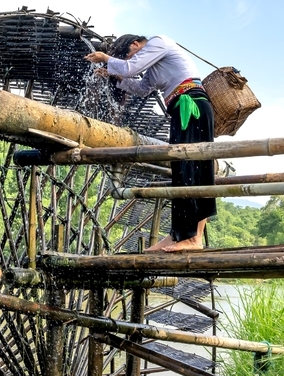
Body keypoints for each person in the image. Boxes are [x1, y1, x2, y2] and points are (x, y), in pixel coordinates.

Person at [84, 34, 216, 252]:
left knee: (196, 169)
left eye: (128, 54)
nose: (131, 58)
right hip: (180, 109)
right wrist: (115, 77)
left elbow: (130, 68)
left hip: (192, 105)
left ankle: (194, 239)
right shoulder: (155, 66)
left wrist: (106, 58)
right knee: (182, 171)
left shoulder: (159, 42)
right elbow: (142, 88)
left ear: (136, 44)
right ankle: (176, 235)